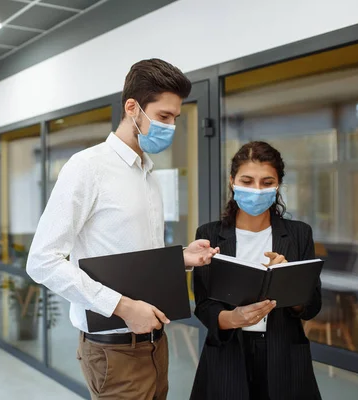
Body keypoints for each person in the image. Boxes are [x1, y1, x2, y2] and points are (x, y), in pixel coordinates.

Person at [26, 58, 219, 400]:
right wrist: (124, 307)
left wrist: (181, 259)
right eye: (163, 117)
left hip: (155, 342)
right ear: (132, 108)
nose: (171, 126)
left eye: (175, 117)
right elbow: (42, 261)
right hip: (114, 351)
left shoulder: (148, 173)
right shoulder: (87, 168)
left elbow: (136, 257)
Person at [190, 141, 322, 400]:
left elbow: (313, 306)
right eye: (247, 181)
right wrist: (233, 319)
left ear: (278, 185)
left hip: (284, 356)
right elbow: (204, 306)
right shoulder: (209, 234)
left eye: (266, 182)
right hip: (228, 354)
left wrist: (289, 283)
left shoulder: (298, 234)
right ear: (232, 181)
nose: (257, 190)